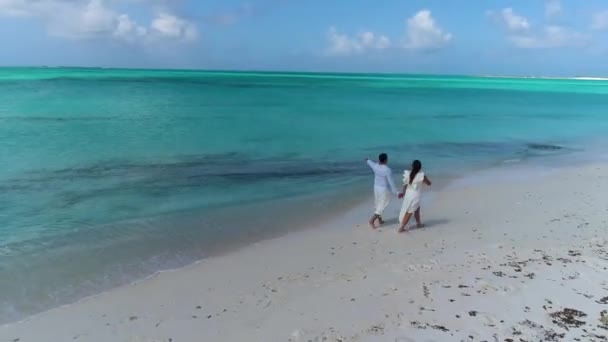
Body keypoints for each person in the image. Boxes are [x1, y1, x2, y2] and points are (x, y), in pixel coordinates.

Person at [365, 153, 399, 229]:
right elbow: (391, 182)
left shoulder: (375, 166)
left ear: (379, 159)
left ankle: (380, 220)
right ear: (386, 160)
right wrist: (397, 192)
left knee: (378, 203)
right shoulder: (387, 170)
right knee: (382, 205)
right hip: (383, 189)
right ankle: (371, 221)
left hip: (376, 187)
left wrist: (367, 160)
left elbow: (370, 163)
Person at [398, 160, 431, 233]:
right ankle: (401, 228)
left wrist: (403, 193)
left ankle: (418, 224)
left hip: (408, 194)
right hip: (415, 196)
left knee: (416, 209)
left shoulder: (408, 174)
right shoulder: (422, 175)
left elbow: (405, 184)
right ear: (420, 167)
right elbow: (429, 183)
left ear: (412, 166)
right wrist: (424, 180)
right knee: (410, 212)